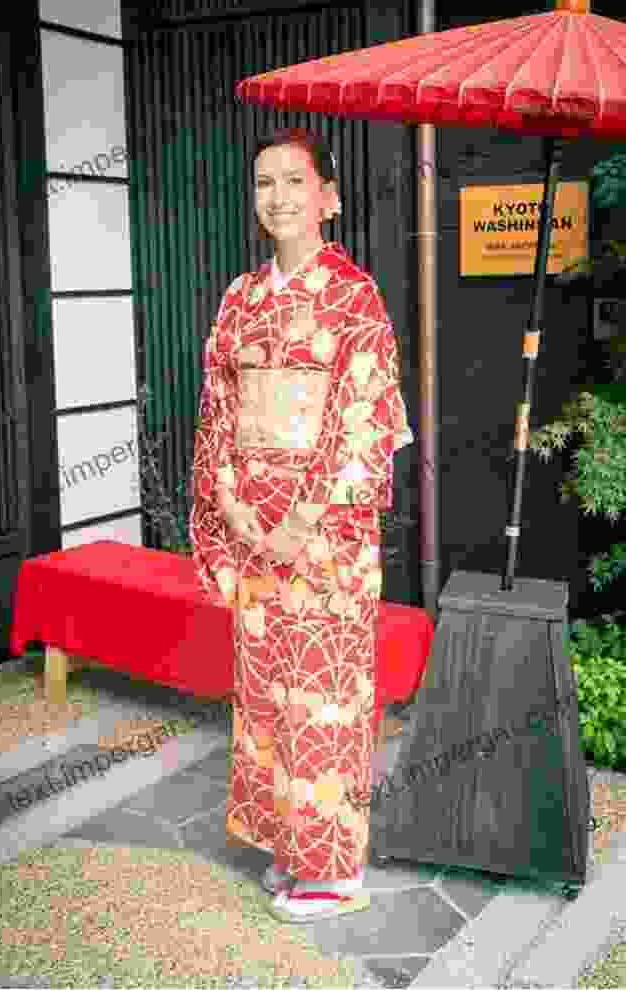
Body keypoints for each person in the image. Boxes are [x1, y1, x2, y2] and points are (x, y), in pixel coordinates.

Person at [189, 127, 414, 923]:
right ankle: (291, 847)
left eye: (295, 181)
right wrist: (232, 501)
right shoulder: (239, 300)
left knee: (324, 695)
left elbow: (365, 419)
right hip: (254, 529)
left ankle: (335, 868)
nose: (278, 197)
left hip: (327, 538)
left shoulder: (355, 297)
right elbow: (219, 411)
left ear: (330, 197)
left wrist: (300, 519)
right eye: (264, 183)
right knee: (266, 696)